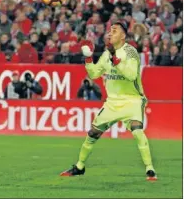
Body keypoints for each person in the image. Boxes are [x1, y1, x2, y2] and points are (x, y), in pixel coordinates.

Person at [61, 22, 157, 181]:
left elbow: (132, 75)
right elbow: (93, 74)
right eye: (110, 31)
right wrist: (89, 58)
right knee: (93, 133)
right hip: (112, 102)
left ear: (123, 36)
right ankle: (79, 167)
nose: (110, 33)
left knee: (137, 131)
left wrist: (115, 58)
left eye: (115, 31)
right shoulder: (106, 54)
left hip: (132, 100)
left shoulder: (131, 52)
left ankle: (150, 169)